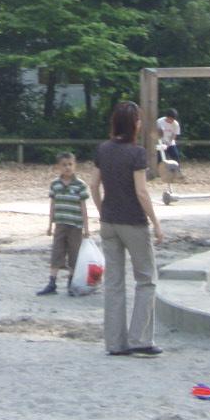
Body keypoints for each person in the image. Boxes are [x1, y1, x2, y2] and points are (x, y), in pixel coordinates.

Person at [91, 100, 165, 357]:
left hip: (109, 221)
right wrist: (156, 222)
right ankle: (140, 339)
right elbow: (141, 192)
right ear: (135, 124)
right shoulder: (137, 153)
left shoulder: (103, 149)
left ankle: (115, 342)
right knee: (146, 279)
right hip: (133, 222)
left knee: (114, 282)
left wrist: (102, 210)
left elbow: (93, 185)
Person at [36, 152, 90, 296]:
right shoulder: (55, 184)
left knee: (74, 253)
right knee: (57, 252)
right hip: (60, 224)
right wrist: (50, 225)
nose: (67, 168)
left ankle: (71, 282)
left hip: (75, 225)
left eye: (70, 164)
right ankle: (52, 282)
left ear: (75, 165)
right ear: (58, 167)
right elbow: (53, 204)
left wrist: (86, 228)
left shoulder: (80, 185)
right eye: (64, 165)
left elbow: (83, 207)